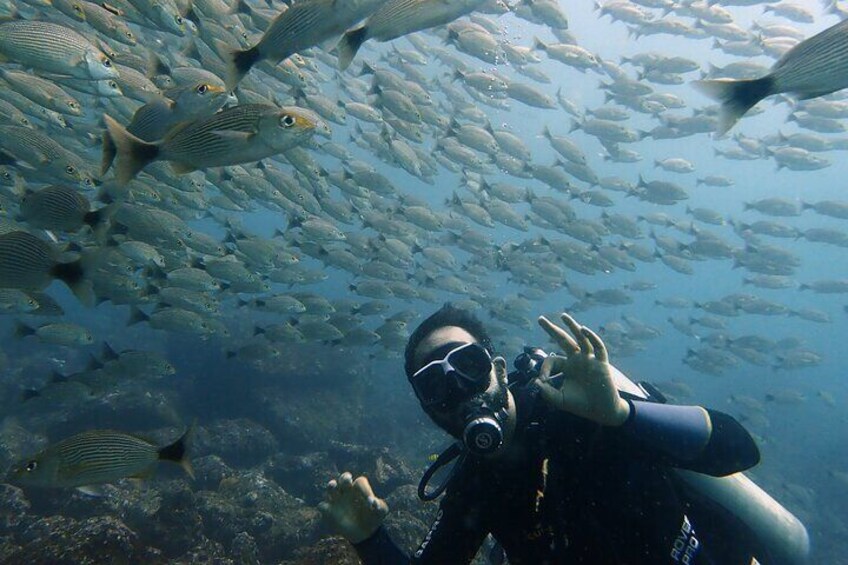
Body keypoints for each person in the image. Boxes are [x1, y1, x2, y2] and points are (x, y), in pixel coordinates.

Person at [320, 305, 806, 564]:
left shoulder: (582, 412)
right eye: (435, 385)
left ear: (498, 369)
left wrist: (621, 415)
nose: (459, 391)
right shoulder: (474, 488)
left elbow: (737, 448)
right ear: (428, 409)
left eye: (466, 366)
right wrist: (369, 539)